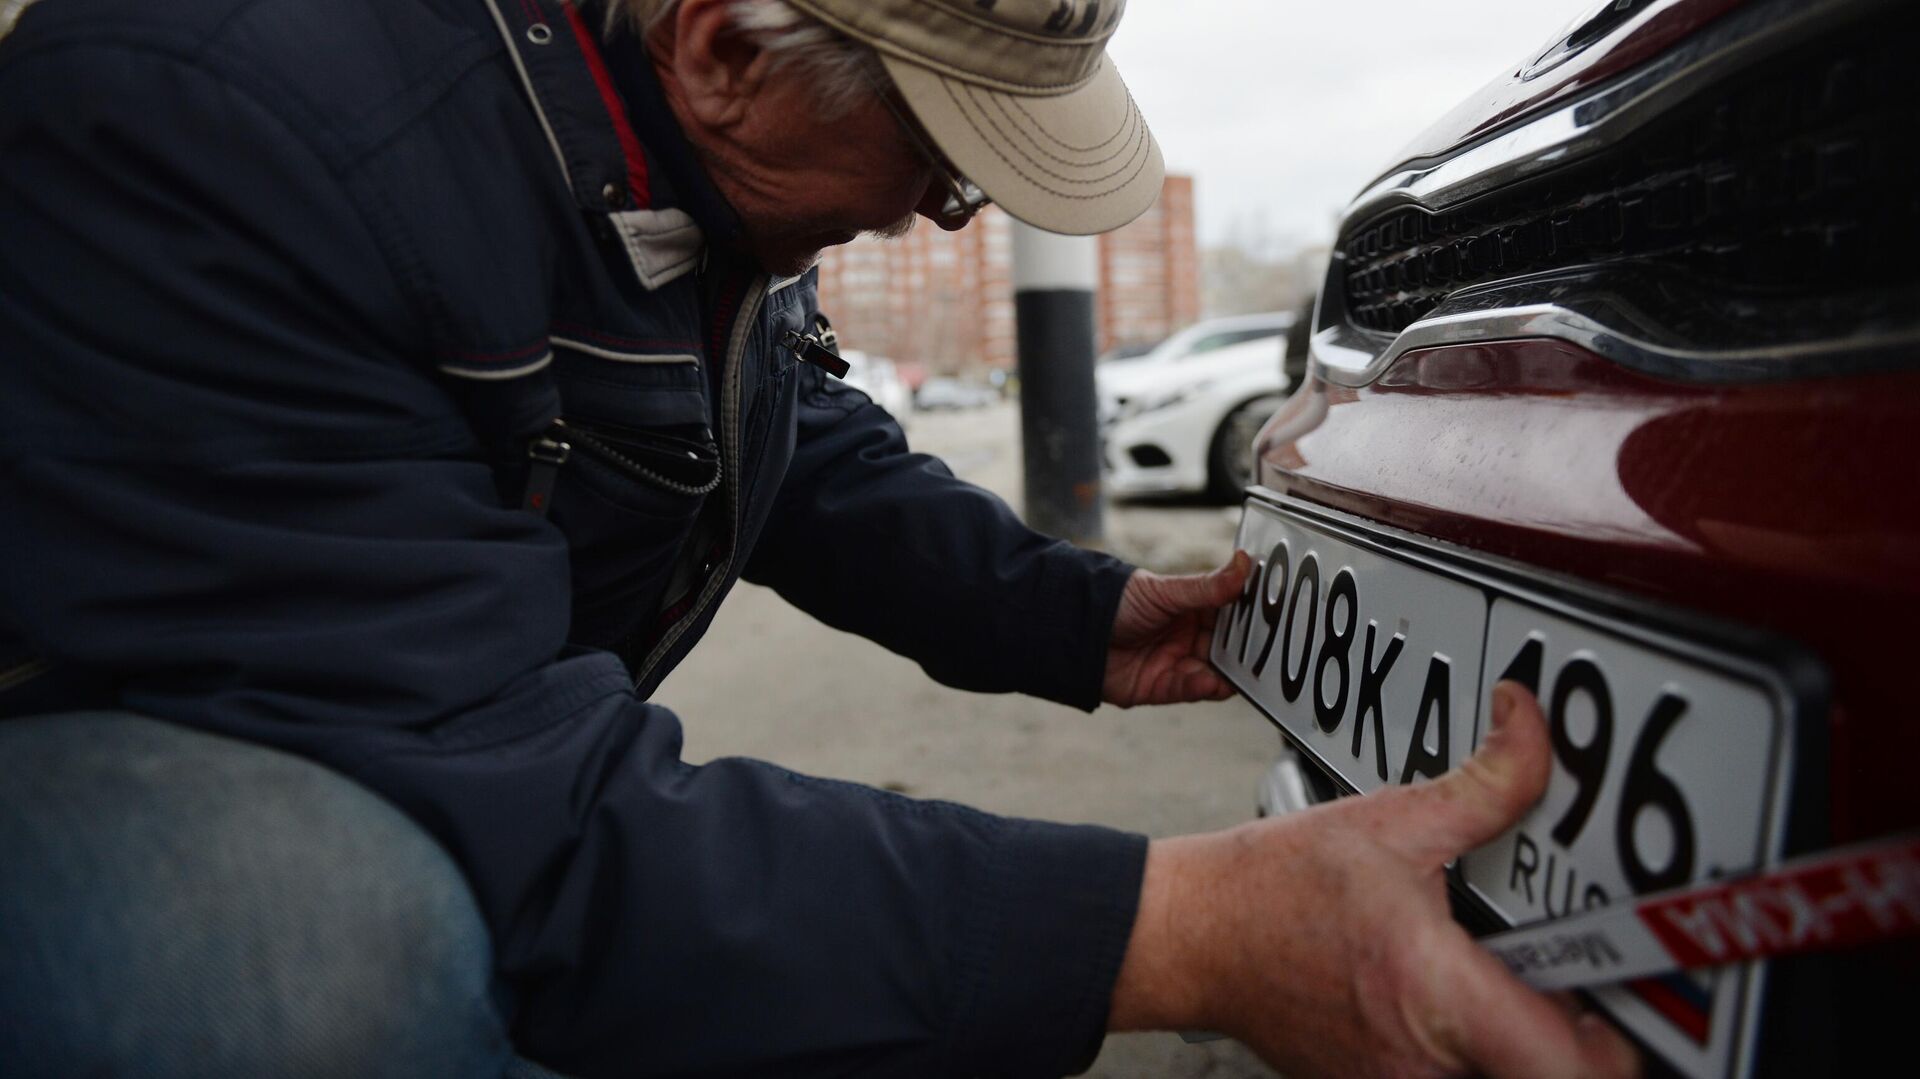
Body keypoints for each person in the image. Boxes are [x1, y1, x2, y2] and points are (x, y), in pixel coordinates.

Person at [0, 0, 1638, 1076]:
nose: (935, 212)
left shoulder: (668, 138)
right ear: (722, 48)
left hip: (403, 722)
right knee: (305, 950)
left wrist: (1074, 618)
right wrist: (1186, 931)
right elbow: (496, 795)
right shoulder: (228, 131)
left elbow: (774, 441)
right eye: (937, 171)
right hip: (111, 758)